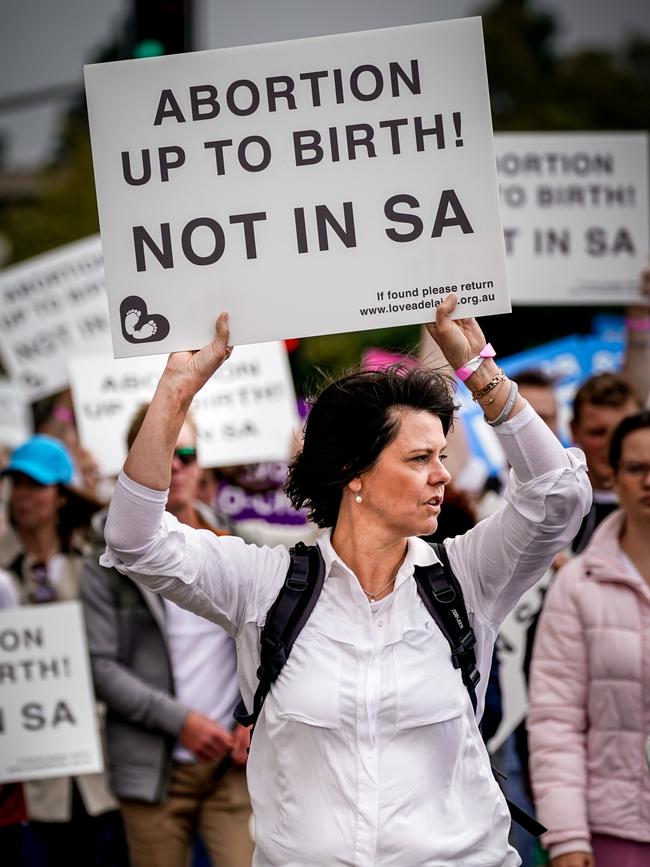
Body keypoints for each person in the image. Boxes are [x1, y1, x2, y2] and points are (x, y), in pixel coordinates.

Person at [101, 295, 591, 866]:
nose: (442, 475)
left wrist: (480, 374)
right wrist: (176, 392)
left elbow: (559, 497)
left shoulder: (465, 576)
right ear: (353, 473)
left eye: (440, 455)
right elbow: (134, 539)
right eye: (417, 459)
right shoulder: (267, 585)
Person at [80, 409, 254, 867]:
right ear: (134, 463)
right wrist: (182, 722)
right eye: (162, 454)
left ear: (202, 466)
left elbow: (269, 643)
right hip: (153, 770)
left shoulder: (236, 540)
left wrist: (252, 714)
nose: (175, 466)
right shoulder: (101, 555)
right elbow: (100, 667)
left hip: (231, 768)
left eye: (188, 454)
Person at [528, 410, 650, 867]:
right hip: (611, 833)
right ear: (613, 478)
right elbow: (555, 720)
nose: (648, 482)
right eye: (637, 468)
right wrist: (567, 836)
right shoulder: (577, 585)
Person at [0, 434, 127, 867]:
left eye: (35, 485)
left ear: (60, 496)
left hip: (98, 763)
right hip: (23, 774)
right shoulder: (0, 571)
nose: (23, 495)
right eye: (16, 483)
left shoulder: (94, 564)